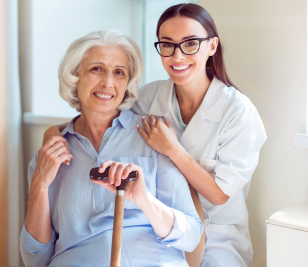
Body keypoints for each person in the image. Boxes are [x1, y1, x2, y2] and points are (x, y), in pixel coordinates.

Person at [43, 4, 267, 267]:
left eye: (190, 44)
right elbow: (99, 112)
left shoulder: (238, 112)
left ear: (212, 46)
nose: (177, 56)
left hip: (217, 232)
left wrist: (173, 150)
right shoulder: (149, 97)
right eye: (167, 45)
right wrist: (52, 133)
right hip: (157, 229)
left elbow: (219, 195)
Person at [20, 29, 204, 267]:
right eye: (96, 69)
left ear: (127, 83)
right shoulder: (50, 153)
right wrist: (39, 186)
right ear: (75, 75)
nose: (108, 82)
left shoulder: (153, 136)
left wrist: (143, 199)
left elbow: (190, 236)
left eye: (119, 72)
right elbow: (35, 259)